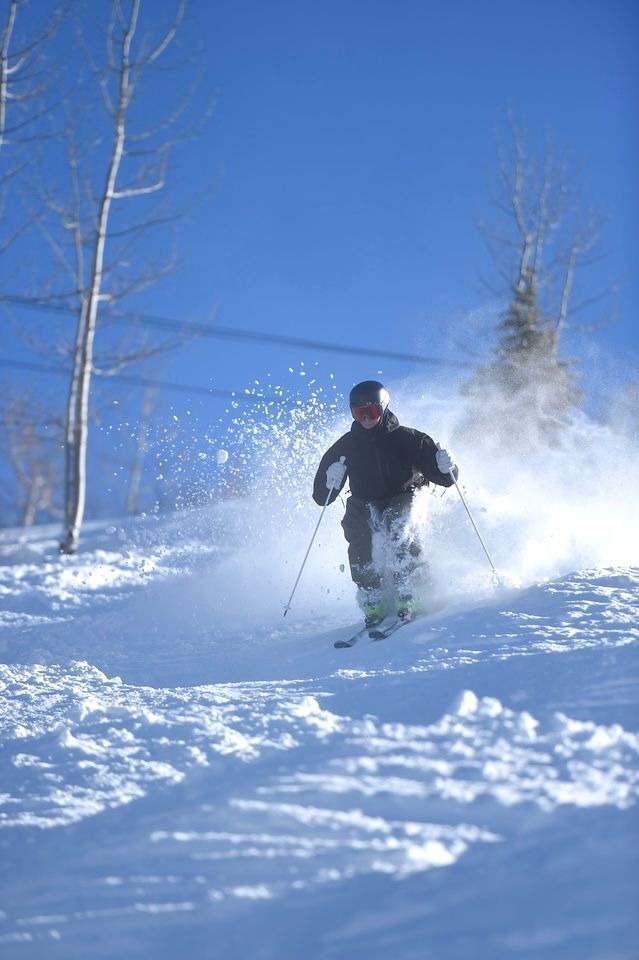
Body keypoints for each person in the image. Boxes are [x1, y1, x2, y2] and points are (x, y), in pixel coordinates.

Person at [312, 380, 458, 625]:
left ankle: (409, 589)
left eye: (373, 411)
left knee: (397, 524)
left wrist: (448, 465)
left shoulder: (409, 439)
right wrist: (331, 480)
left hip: (405, 493)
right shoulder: (346, 446)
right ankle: (372, 594)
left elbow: (445, 478)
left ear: (384, 408)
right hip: (364, 500)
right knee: (357, 529)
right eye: (360, 413)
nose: (367, 418)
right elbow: (321, 498)